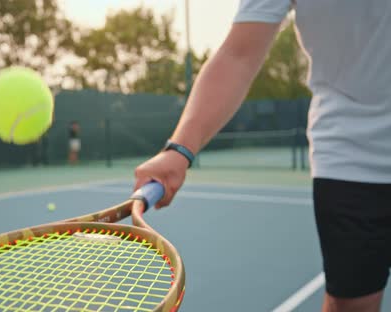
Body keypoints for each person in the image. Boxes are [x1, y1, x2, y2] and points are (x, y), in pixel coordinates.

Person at [133, 1, 391, 311]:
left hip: (348, 157)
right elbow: (239, 55)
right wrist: (178, 148)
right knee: (351, 304)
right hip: (351, 159)